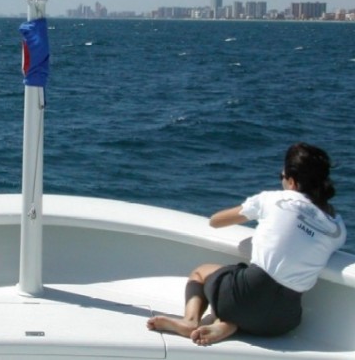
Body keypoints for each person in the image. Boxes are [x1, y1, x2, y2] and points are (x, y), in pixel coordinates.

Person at [147, 142, 346, 345]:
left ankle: (191, 321)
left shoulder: (274, 199)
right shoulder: (337, 229)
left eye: (282, 177)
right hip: (283, 321)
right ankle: (228, 324)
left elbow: (216, 221)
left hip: (242, 298)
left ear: (292, 182)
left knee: (201, 272)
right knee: (253, 299)